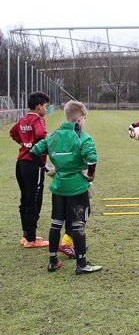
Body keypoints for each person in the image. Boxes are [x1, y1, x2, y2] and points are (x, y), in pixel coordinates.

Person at [30, 100, 102, 274]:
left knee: (56, 223)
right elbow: (91, 158)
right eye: (84, 119)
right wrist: (91, 174)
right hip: (77, 187)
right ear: (79, 120)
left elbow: (33, 152)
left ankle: (53, 261)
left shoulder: (53, 135)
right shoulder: (82, 137)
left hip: (59, 186)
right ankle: (82, 264)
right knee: (78, 224)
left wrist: (48, 169)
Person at [9, 91, 51, 248]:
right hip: (34, 163)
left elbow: (13, 132)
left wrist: (25, 143)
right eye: (46, 106)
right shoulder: (38, 119)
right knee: (34, 199)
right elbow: (41, 134)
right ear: (39, 106)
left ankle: (26, 234)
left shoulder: (24, 119)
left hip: (21, 162)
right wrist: (40, 145)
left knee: (25, 199)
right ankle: (31, 239)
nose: (46, 110)